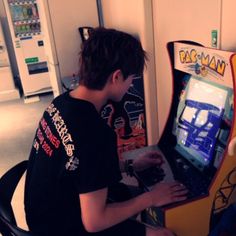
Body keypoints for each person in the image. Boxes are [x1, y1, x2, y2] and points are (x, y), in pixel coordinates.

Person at [24, 27, 188, 236]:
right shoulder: (95, 133)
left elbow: (79, 164)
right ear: (117, 77)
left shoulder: (62, 103)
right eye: (131, 78)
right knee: (164, 232)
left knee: (134, 194)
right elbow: (94, 221)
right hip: (62, 228)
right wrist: (151, 198)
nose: (130, 85)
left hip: (42, 217)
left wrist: (130, 165)